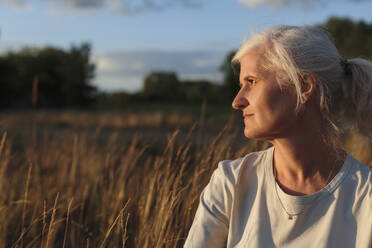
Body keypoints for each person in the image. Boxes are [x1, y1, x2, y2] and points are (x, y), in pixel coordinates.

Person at [184, 25, 372, 247]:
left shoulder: (365, 197)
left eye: (251, 82)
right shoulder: (230, 183)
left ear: (304, 86)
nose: (237, 101)